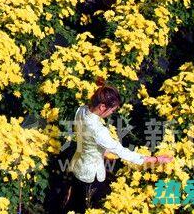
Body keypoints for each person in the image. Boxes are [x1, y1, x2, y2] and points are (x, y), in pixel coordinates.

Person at [64, 80, 173, 212]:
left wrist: (101, 153)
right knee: (88, 208)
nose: (111, 113)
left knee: (73, 203)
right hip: (90, 176)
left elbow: (86, 139)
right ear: (102, 107)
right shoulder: (99, 130)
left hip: (77, 166)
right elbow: (122, 152)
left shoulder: (81, 111)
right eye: (112, 110)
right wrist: (155, 159)